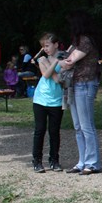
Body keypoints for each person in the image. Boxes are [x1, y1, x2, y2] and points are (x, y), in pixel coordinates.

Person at [59, 11, 101, 175]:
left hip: (85, 84)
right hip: (75, 85)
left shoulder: (85, 41)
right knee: (78, 126)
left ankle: (92, 162)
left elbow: (68, 62)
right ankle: (82, 161)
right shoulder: (76, 42)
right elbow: (66, 59)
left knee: (86, 125)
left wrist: (60, 61)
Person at [31, 33, 65, 173]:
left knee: (54, 132)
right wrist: (55, 63)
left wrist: (54, 65)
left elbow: (58, 80)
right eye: (43, 46)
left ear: (56, 44)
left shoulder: (64, 59)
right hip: (41, 99)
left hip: (56, 101)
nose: (45, 49)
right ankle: (37, 161)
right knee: (40, 130)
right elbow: (46, 75)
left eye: (47, 45)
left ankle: (54, 160)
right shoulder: (42, 59)